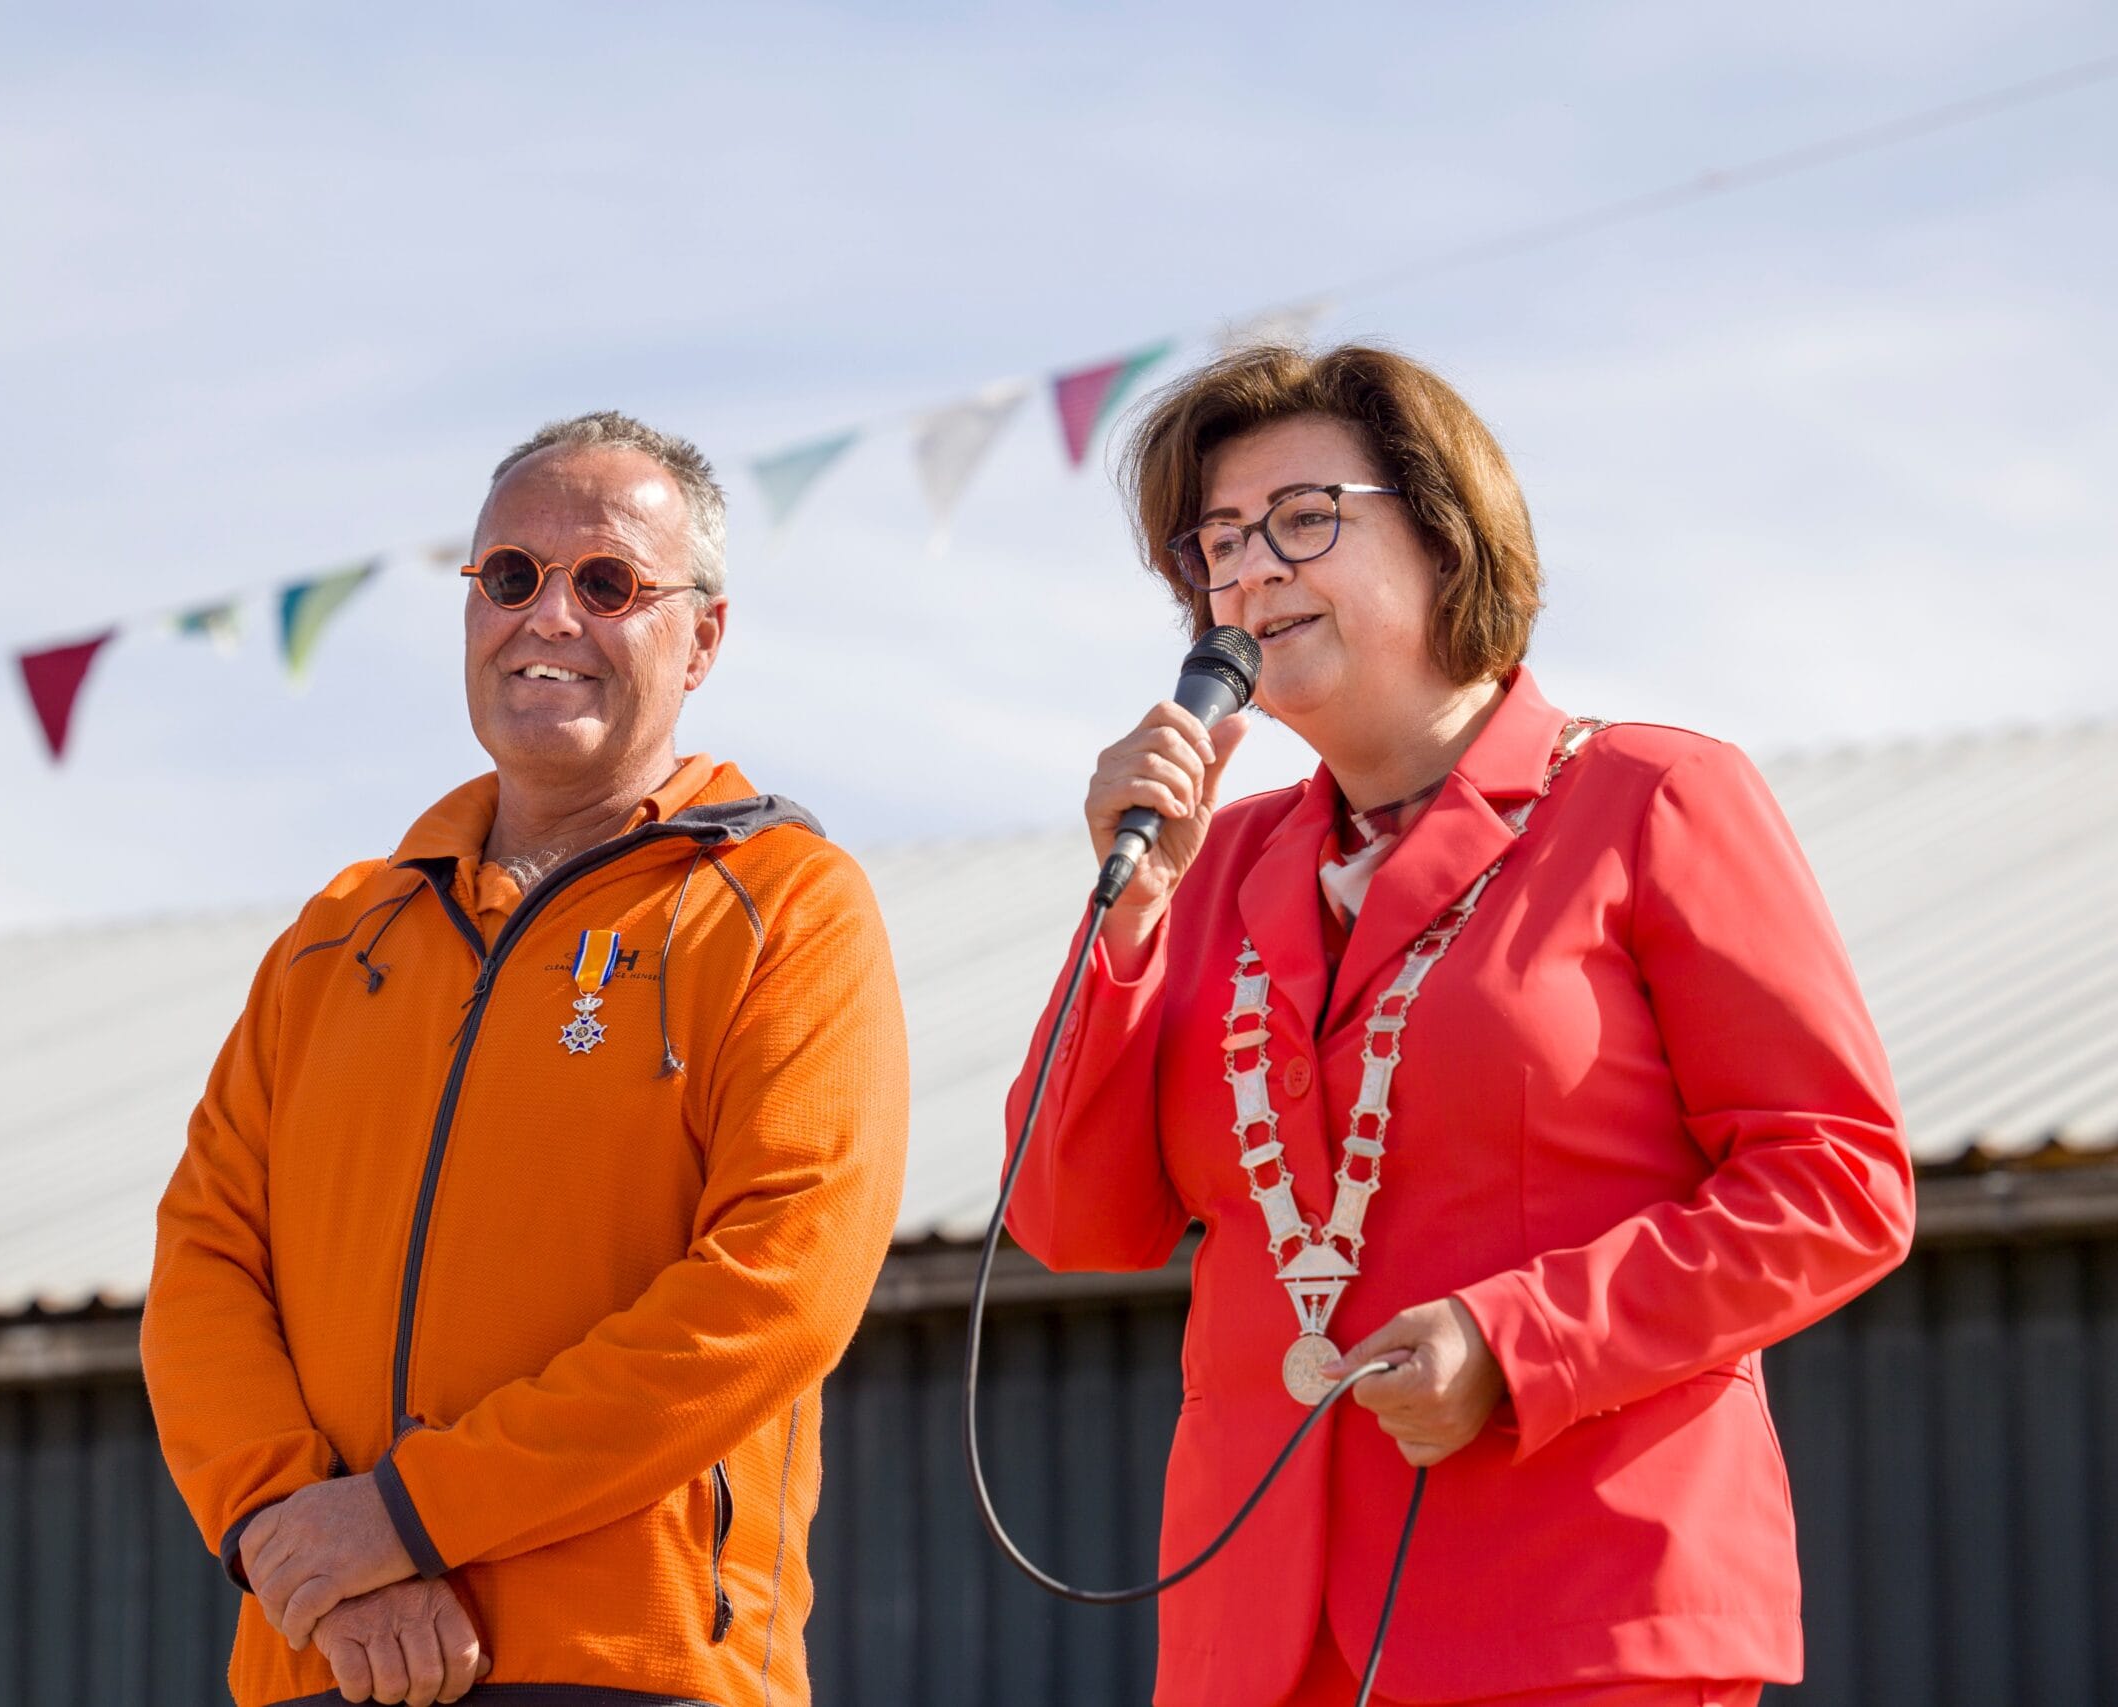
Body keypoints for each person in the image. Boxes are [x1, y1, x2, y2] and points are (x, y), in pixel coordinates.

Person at [1002, 345, 1913, 1707]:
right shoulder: (1213, 864)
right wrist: (1129, 918)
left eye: (1303, 518)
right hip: (1256, 1645)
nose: (1248, 572)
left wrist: (1517, 1342)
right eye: (1218, 544)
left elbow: (1837, 1185)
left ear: (1445, 535)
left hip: (1574, 1611)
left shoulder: (1653, 797)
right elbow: (1073, 1222)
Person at [145, 411, 909, 1707]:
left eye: (607, 582)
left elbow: (779, 1286)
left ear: (702, 639)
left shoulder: (788, 905)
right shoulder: (334, 938)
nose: (548, 616)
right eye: (510, 576)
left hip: (638, 1670)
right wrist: (299, 1533)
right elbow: (204, 1262)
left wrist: (407, 1519)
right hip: (319, 1658)